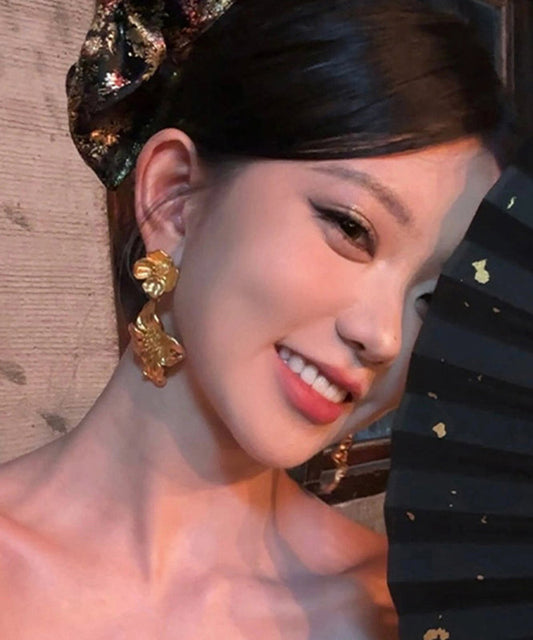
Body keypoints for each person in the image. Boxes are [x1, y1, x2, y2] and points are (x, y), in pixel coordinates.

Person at [0, 1, 512, 638]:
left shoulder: (404, 612)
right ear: (174, 197)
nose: (383, 336)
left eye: (435, 300)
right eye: (351, 229)